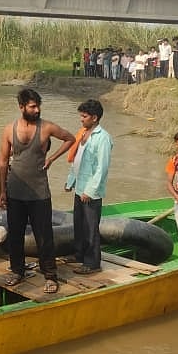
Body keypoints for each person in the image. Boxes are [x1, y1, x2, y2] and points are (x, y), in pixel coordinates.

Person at [0, 89, 75, 294]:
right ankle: (17, 271)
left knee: (44, 235)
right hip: (15, 190)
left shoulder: (46, 127)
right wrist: (2, 190)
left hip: (39, 193)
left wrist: (52, 157)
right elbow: (3, 161)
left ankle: (50, 275)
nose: (37, 110)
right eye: (32, 106)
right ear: (21, 107)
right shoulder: (9, 130)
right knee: (15, 234)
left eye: (38, 106)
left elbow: (70, 138)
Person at [65, 99, 112, 274]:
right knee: (79, 224)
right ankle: (79, 254)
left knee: (91, 227)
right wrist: (71, 181)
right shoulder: (83, 134)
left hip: (90, 191)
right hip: (80, 187)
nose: (81, 119)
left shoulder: (103, 138)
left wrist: (90, 191)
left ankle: (92, 263)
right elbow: (77, 160)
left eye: (84, 116)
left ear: (94, 118)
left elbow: (102, 167)